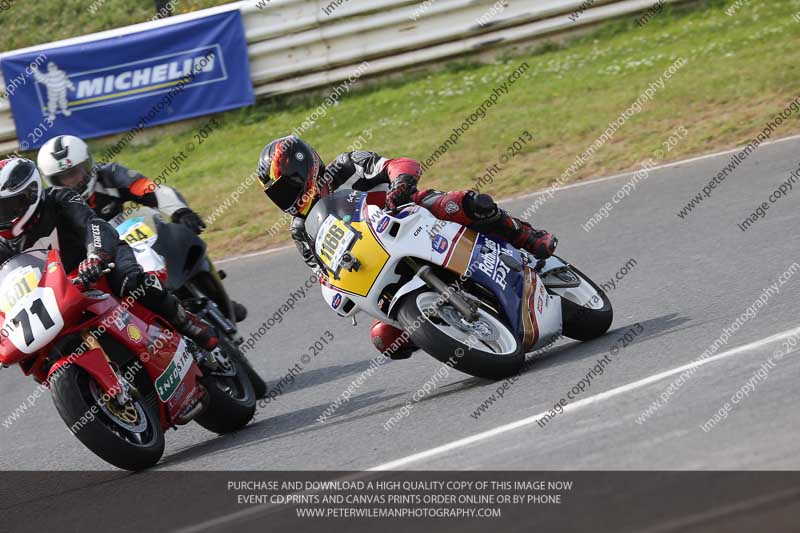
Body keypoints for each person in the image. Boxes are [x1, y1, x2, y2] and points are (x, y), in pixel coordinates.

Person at [256, 135, 557, 359]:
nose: (287, 198)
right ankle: (439, 328)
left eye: (287, 186)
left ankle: (525, 236)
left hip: (411, 216)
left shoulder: (347, 166)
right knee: (383, 338)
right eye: (277, 195)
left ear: (305, 169)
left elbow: (401, 164)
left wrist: (400, 185)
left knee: (462, 203)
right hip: (375, 268)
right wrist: (335, 291)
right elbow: (322, 271)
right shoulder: (301, 230)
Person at [0, 157, 218, 351]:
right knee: (34, 348)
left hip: (102, 260)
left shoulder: (60, 198)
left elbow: (92, 225)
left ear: (29, 194)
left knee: (131, 282)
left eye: (6, 206)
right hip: (57, 293)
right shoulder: (3, 241)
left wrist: (96, 256)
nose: (3, 215)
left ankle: (186, 322)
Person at [36, 135, 246, 322]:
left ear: (89, 165)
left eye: (75, 173)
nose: (72, 182)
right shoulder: (54, 205)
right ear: (50, 181)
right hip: (102, 257)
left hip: (133, 233)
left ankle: (222, 300)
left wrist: (181, 211)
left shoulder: (110, 174)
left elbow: (151, 189)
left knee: (180, 236)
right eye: (63, 178)